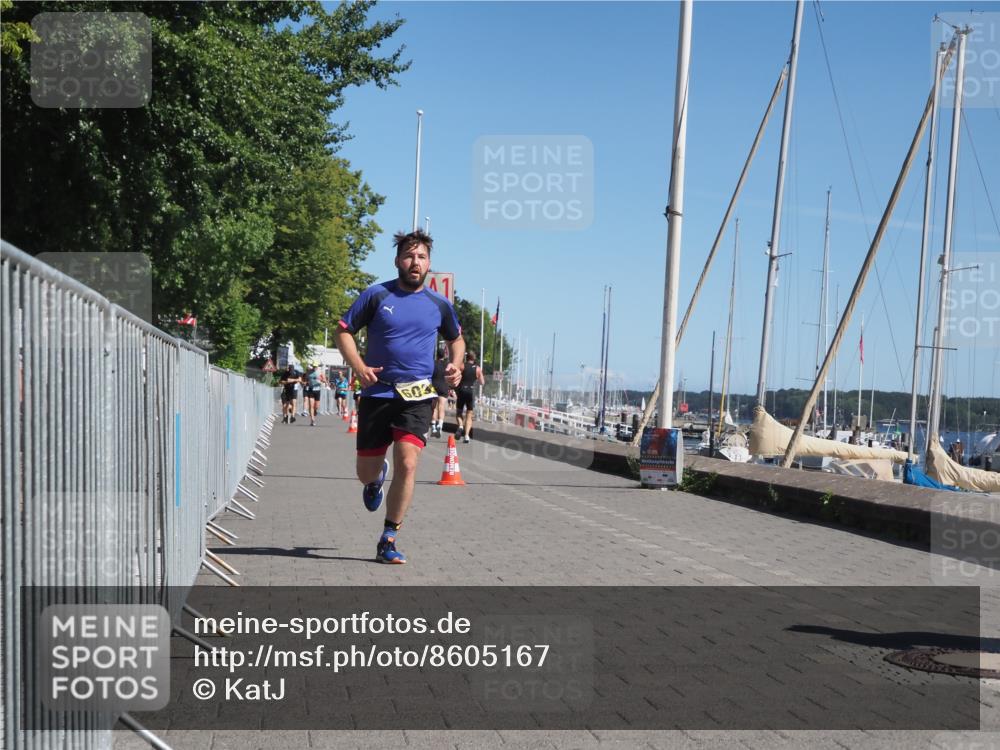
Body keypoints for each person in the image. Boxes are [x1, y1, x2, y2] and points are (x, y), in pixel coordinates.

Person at [336, 229, 464, 565]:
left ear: (429, 264)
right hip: (377, 393)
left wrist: (455, 364)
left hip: (417, 396)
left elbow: (457, 340)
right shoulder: (376, 295)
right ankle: (375, 480)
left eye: (421, 257)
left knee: (408, 463)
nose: (415, 262)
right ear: (397, 261)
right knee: (365, 472)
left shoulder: (439, 304)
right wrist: (359, 366)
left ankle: (388, 538)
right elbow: (343, 331)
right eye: (409, 256)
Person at [455, 351, 484, 444]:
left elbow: (457, 377)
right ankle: (466, 436)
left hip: (462, 390)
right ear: (474, 359)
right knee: (469, 414)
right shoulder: (478, 369)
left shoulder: (462, 366)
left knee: (459, 412)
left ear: (466, 358)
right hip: (471, 392)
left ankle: (460, 426)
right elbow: (482, 382)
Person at [430, 345, 450, 438]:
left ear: (437, 355)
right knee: (442, 406)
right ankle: (440, 425)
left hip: (434, 386)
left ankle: (433, 426)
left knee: (434, 407)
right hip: (443, 386)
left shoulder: (432, 363)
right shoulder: (447, 364)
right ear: (444, 355)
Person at [303, 361, 325, 426]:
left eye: (316, 366)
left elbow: (324, 380)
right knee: (311, 405)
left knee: (316, 406)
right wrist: (305, 382)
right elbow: (305, 380)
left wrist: (321, 380)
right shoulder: (308, 372)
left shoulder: (320, 372)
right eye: (314, 366)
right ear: (312, 366)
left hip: (317, 390)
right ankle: (312, 420)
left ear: (317, 366)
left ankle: (315, 411)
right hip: (311, 390)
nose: (315, 367)